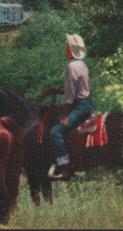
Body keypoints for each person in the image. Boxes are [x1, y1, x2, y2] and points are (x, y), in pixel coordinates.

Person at [44, 33, 92, 180]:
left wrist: (63, 114)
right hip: (86, 103)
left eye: (67, 46)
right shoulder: (81, 64)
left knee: (55, 132)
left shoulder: (71, 67)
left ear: (70, 49)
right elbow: (78, 88)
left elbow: (69, 98)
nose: (65, 47)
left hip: (79, 106)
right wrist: (57, 91)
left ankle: (64, 167)